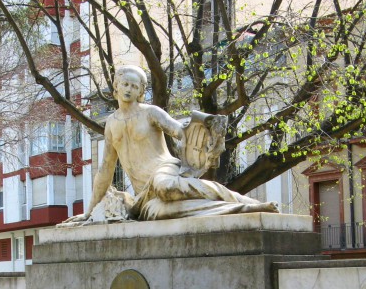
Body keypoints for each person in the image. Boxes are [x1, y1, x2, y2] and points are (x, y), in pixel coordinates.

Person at [63, 65, 278, 224]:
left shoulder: (150, 113)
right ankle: (243, 209)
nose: (129, 89)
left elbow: (179, 130)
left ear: (140, 91)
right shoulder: (110, 125)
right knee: (162, 213)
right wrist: (89, 212)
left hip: (164, 170)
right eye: (125, 84)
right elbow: (105, 170)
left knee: (165, 186)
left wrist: (202, 127)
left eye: (134, 86)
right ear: (116, 88)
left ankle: (241, 199)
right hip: (143, 196)